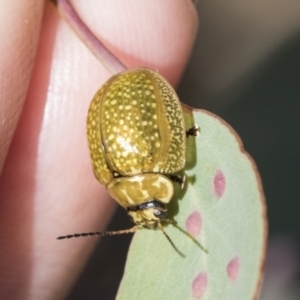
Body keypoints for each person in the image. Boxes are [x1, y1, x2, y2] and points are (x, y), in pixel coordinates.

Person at [0, 1, 198, 299]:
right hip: (124, 93)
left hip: (134, 92)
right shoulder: (109, 175)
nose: (155, 214)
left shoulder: (155, 165)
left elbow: (170, 131)